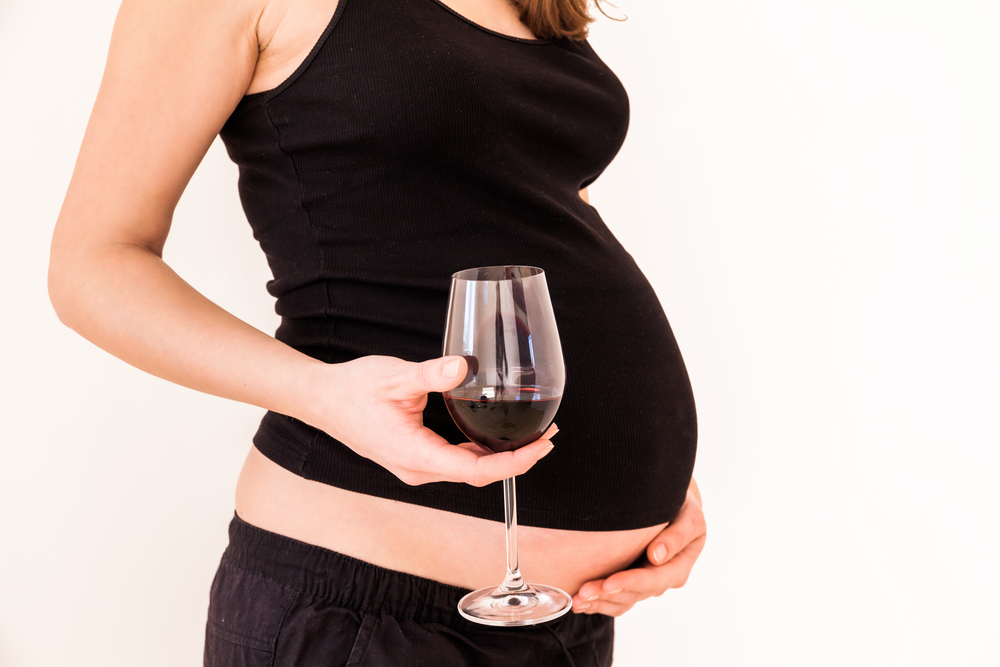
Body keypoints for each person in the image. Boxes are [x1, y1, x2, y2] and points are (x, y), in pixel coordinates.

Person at [48, 0, 707, 664]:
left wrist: (650, 475)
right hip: (370, 612)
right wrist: (321, 393)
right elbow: (91, 265)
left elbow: (531, 212)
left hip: (569, 619)